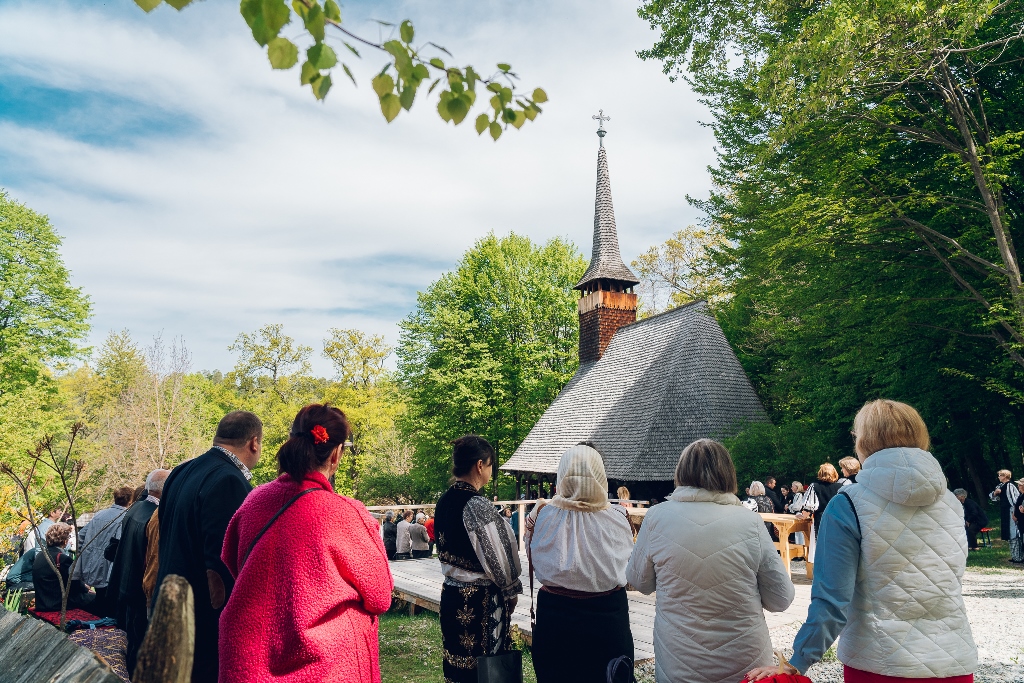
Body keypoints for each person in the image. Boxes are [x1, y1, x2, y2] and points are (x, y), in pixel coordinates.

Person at [749, 399, 978, 682]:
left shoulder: (848, 504)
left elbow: (832, 599)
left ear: (864, 441)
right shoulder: (952, 504)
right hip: (953, 660)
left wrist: (798, 660)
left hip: (880, 663)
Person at [219, 403, 392, 683]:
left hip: (251, 658)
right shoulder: (346, 513)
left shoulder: (253, 501)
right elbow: (380, 596)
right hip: (329, 666)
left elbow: (231, 560)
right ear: (336, 454)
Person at [627, 439, 794, 683]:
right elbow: (781, 599)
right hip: (745, 664)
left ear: (680, 473)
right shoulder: (750, 523)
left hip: (680, 662)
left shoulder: (656, 518)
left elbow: (639, 582)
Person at [157, 411, 262, 683]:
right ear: (254, 443)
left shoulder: (180, 472)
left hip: (170, 601)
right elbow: (222, 563)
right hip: (203, 619)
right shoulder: (228, 480)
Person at [526, 444, 634, 682]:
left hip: (555, 620)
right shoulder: (619, 517)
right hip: (608, 622)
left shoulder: (542, 514)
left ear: (562, 475)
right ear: (599, 475)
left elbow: (531, 554)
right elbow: (628, 566)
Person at [435, 435, 522, 683]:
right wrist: (509, 589)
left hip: (451, 595)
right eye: (491, 465)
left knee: (457, 666)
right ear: (480, 465)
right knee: (483, 671)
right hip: (478, 603)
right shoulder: (476, 505)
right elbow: (499, 555)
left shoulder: (444, 501)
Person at [107, 469, 169, 673]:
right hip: (141, 590)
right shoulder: (155, 516)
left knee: (132, 642)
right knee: (141, 645)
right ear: (165, 489)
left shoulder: (135, 508)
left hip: (127, 585)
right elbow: (151, 559)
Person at [76, 486, 133, 615]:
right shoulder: (124, 517)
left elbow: (81, 535)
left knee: (100, 597)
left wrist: (83, 554)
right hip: (109, 565)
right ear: (130, 501)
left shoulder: (100, 514)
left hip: (93, 563)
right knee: (108, 603)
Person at [32, 523, 95, 612]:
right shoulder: (62, 558)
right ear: (64, 540)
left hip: (42, 603)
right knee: (99, 600)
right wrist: (85, 588)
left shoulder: (41, 555)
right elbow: (73, 583)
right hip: (58, 603)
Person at [795, 463, 843, 576]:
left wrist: (802, 515)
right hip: (837, 519)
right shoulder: (841, 487)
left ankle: (822, 574)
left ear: (820, 473)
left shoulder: (814, 486)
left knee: (820, 546)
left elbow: (809, 506)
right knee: (835, 546)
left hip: (821, 518)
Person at [989, 469, 1016, 542]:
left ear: (1005, 476)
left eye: (1000, 475)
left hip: (1010, 508)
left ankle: (1013, 539)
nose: (998, 477)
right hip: (1004, 508)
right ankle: (1008, 538)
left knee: (1011, 525)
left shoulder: (1010, 485)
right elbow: (993, 497)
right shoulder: (1000, 485)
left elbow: (1013, 498)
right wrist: (995, 493)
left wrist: (1014, 510)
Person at [1011, 479, 1024, 563]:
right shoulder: (1021, 495)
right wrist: (1014, 514)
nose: (1018, 486)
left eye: (1020, 485)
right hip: (1021, 521)